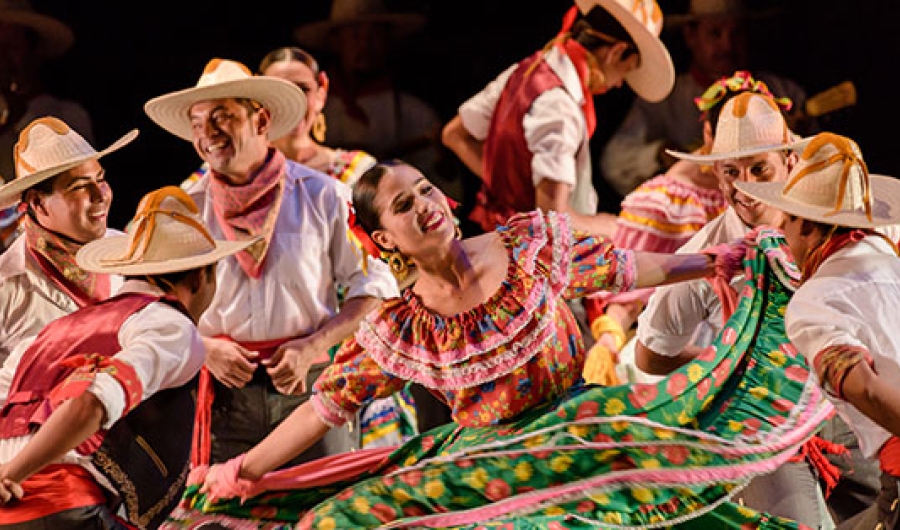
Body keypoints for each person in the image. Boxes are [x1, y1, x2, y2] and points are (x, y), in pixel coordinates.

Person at [163, 159, 835, 529]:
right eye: (403, 205)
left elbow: (627, 270)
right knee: (338, 521)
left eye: (425, 189)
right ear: (385, 240)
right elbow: (325, 409)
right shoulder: (401, 327)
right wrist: (243, 470)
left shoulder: (526, 246)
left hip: (578, 434)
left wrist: (711, 261)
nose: (425, 203)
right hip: (484, 461)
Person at [143, 58, 400, 470]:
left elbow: (375, 288)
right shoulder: (186, 207)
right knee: (223, 512)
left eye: (222, 116)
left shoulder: (323, 195)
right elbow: (144, 302)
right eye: (197, 121)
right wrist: (203, 347)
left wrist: (313, 346)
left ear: (260, 120)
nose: (207, 133)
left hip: (310, 389)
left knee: (322, 509)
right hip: (223, 397)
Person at [0, 186, 254, 529]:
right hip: (62, 508)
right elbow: (89, 403)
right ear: (200, 277)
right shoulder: (170, 325)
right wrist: (13, 474)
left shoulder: (52, 332)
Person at [734, 132, 900, 530]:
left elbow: (869, 390)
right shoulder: (888, 257)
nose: (784, 237)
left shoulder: (814, 301)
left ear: (806, 225)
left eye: (786, 220)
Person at [583, 71, 784, 385]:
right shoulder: (666, 202)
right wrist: (608, 340)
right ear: (709, 138)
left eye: (760, 168)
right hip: (697, 348)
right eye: (732, 169)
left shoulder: (806, 212)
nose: (746, 186)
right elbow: (632, 295)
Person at [442, 0, 675, 237]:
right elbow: (553, 220)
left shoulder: (529, 69)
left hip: (510, 242)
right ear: (616, 52)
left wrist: (516, 191)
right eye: (627, 69)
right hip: (538, 261)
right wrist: (609, 226)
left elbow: (454, 135)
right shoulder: (559, 106)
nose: (619, 84)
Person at [599, 0, 811, 198]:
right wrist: (659, 153)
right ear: (691, 36)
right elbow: (613, 161)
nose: (727, 46)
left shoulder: (781, 93)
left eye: (736, 34)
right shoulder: (664, 99)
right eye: (715, 34)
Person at [0, 116, 135, 377]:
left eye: (101, 178)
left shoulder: (133, 255)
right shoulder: (7, 287)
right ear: (38, 203)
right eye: (81, 186)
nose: (100, 195)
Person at [293, 0, 453, 197]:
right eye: (355, 35)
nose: (365, 45)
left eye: (373, 35)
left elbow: (444, 188)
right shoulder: (310, 109)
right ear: (335, 42)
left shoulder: (416, 115)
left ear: (387, 40)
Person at [0, 0, 94, 251]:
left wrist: (14, 119)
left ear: (32, 51)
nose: (3, 60)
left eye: (11, 47)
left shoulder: (65, 116)